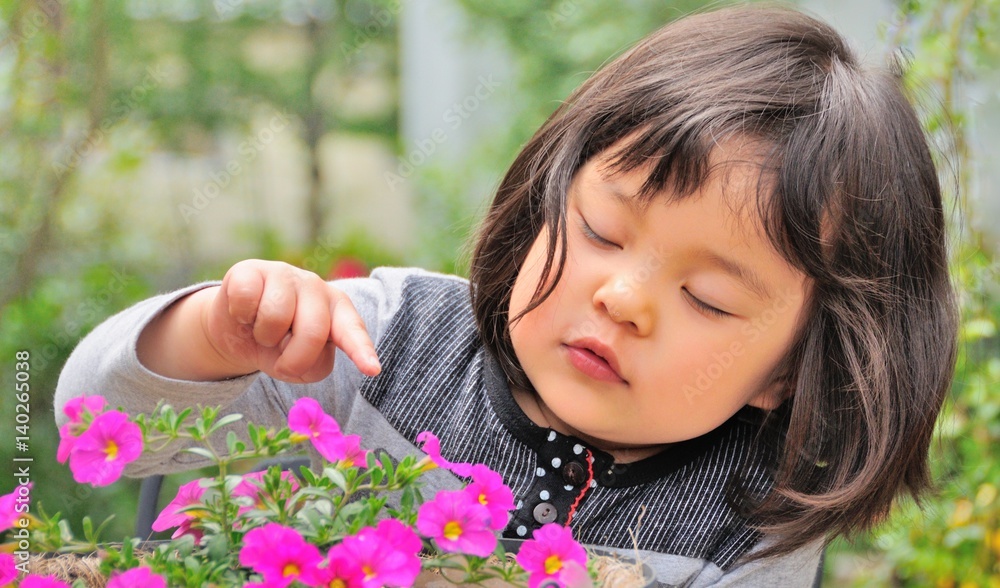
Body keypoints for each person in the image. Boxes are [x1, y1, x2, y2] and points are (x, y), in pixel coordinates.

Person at [55, 4, 958, 585]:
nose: (623, 298)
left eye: (710, 299)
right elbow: (96, 426)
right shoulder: (383, 344)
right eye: (601, 230)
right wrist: (211, 340)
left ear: (792, 372)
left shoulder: (752, 523)